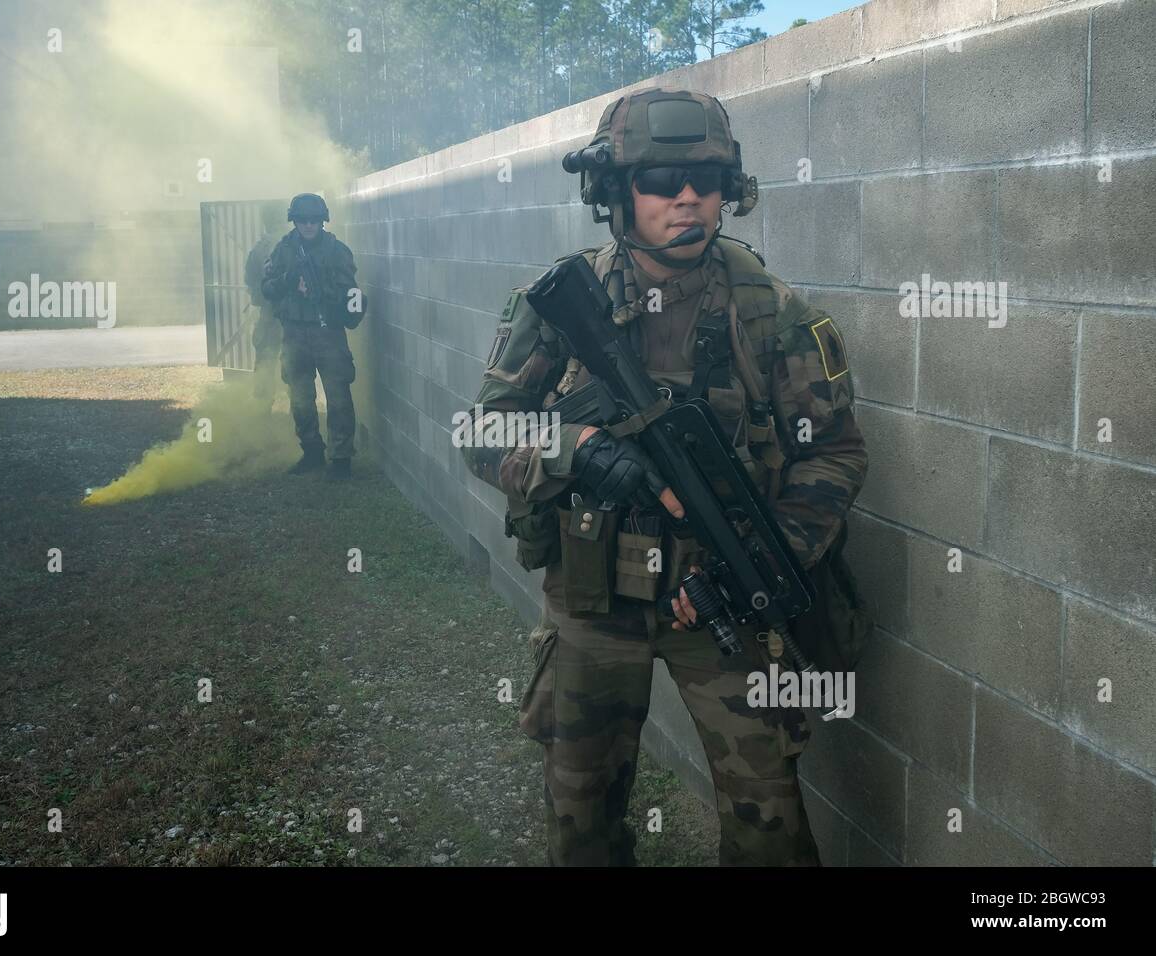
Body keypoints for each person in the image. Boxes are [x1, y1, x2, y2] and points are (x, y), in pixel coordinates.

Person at [461, 88, 870, 866]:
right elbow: (482, 431)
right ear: (614, 192)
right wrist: (574, 450)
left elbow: (835, 451)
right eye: (659, 181)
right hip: (591, 597)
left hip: (716, 599)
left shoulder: (769, 313)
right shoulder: (560, 303)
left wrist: (761, 554)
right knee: (581, 815)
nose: (688, 197)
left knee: (769, 824)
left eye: (709, 178)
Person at [261, 193, 365, 479]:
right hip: (294, 333)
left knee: (338, 398)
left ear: (322, 221)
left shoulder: (337, 251)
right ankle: (312, 451)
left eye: (314, 220)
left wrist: (321, 293)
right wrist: (288, 281)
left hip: (328, 332)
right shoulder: (283, 250)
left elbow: (350, 294)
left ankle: (341, 458)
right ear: (294, 221)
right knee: (300, 398)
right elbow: (266, 289)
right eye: (302, 220)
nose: (308, 226)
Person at [245, 202, 286, 398]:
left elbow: (250, 281)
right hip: (288, 317)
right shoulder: (289, 245)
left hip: (268, 315)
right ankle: (297, 416)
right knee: (294, 366)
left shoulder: (259, 248)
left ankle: (262, 411)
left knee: (265, 364)